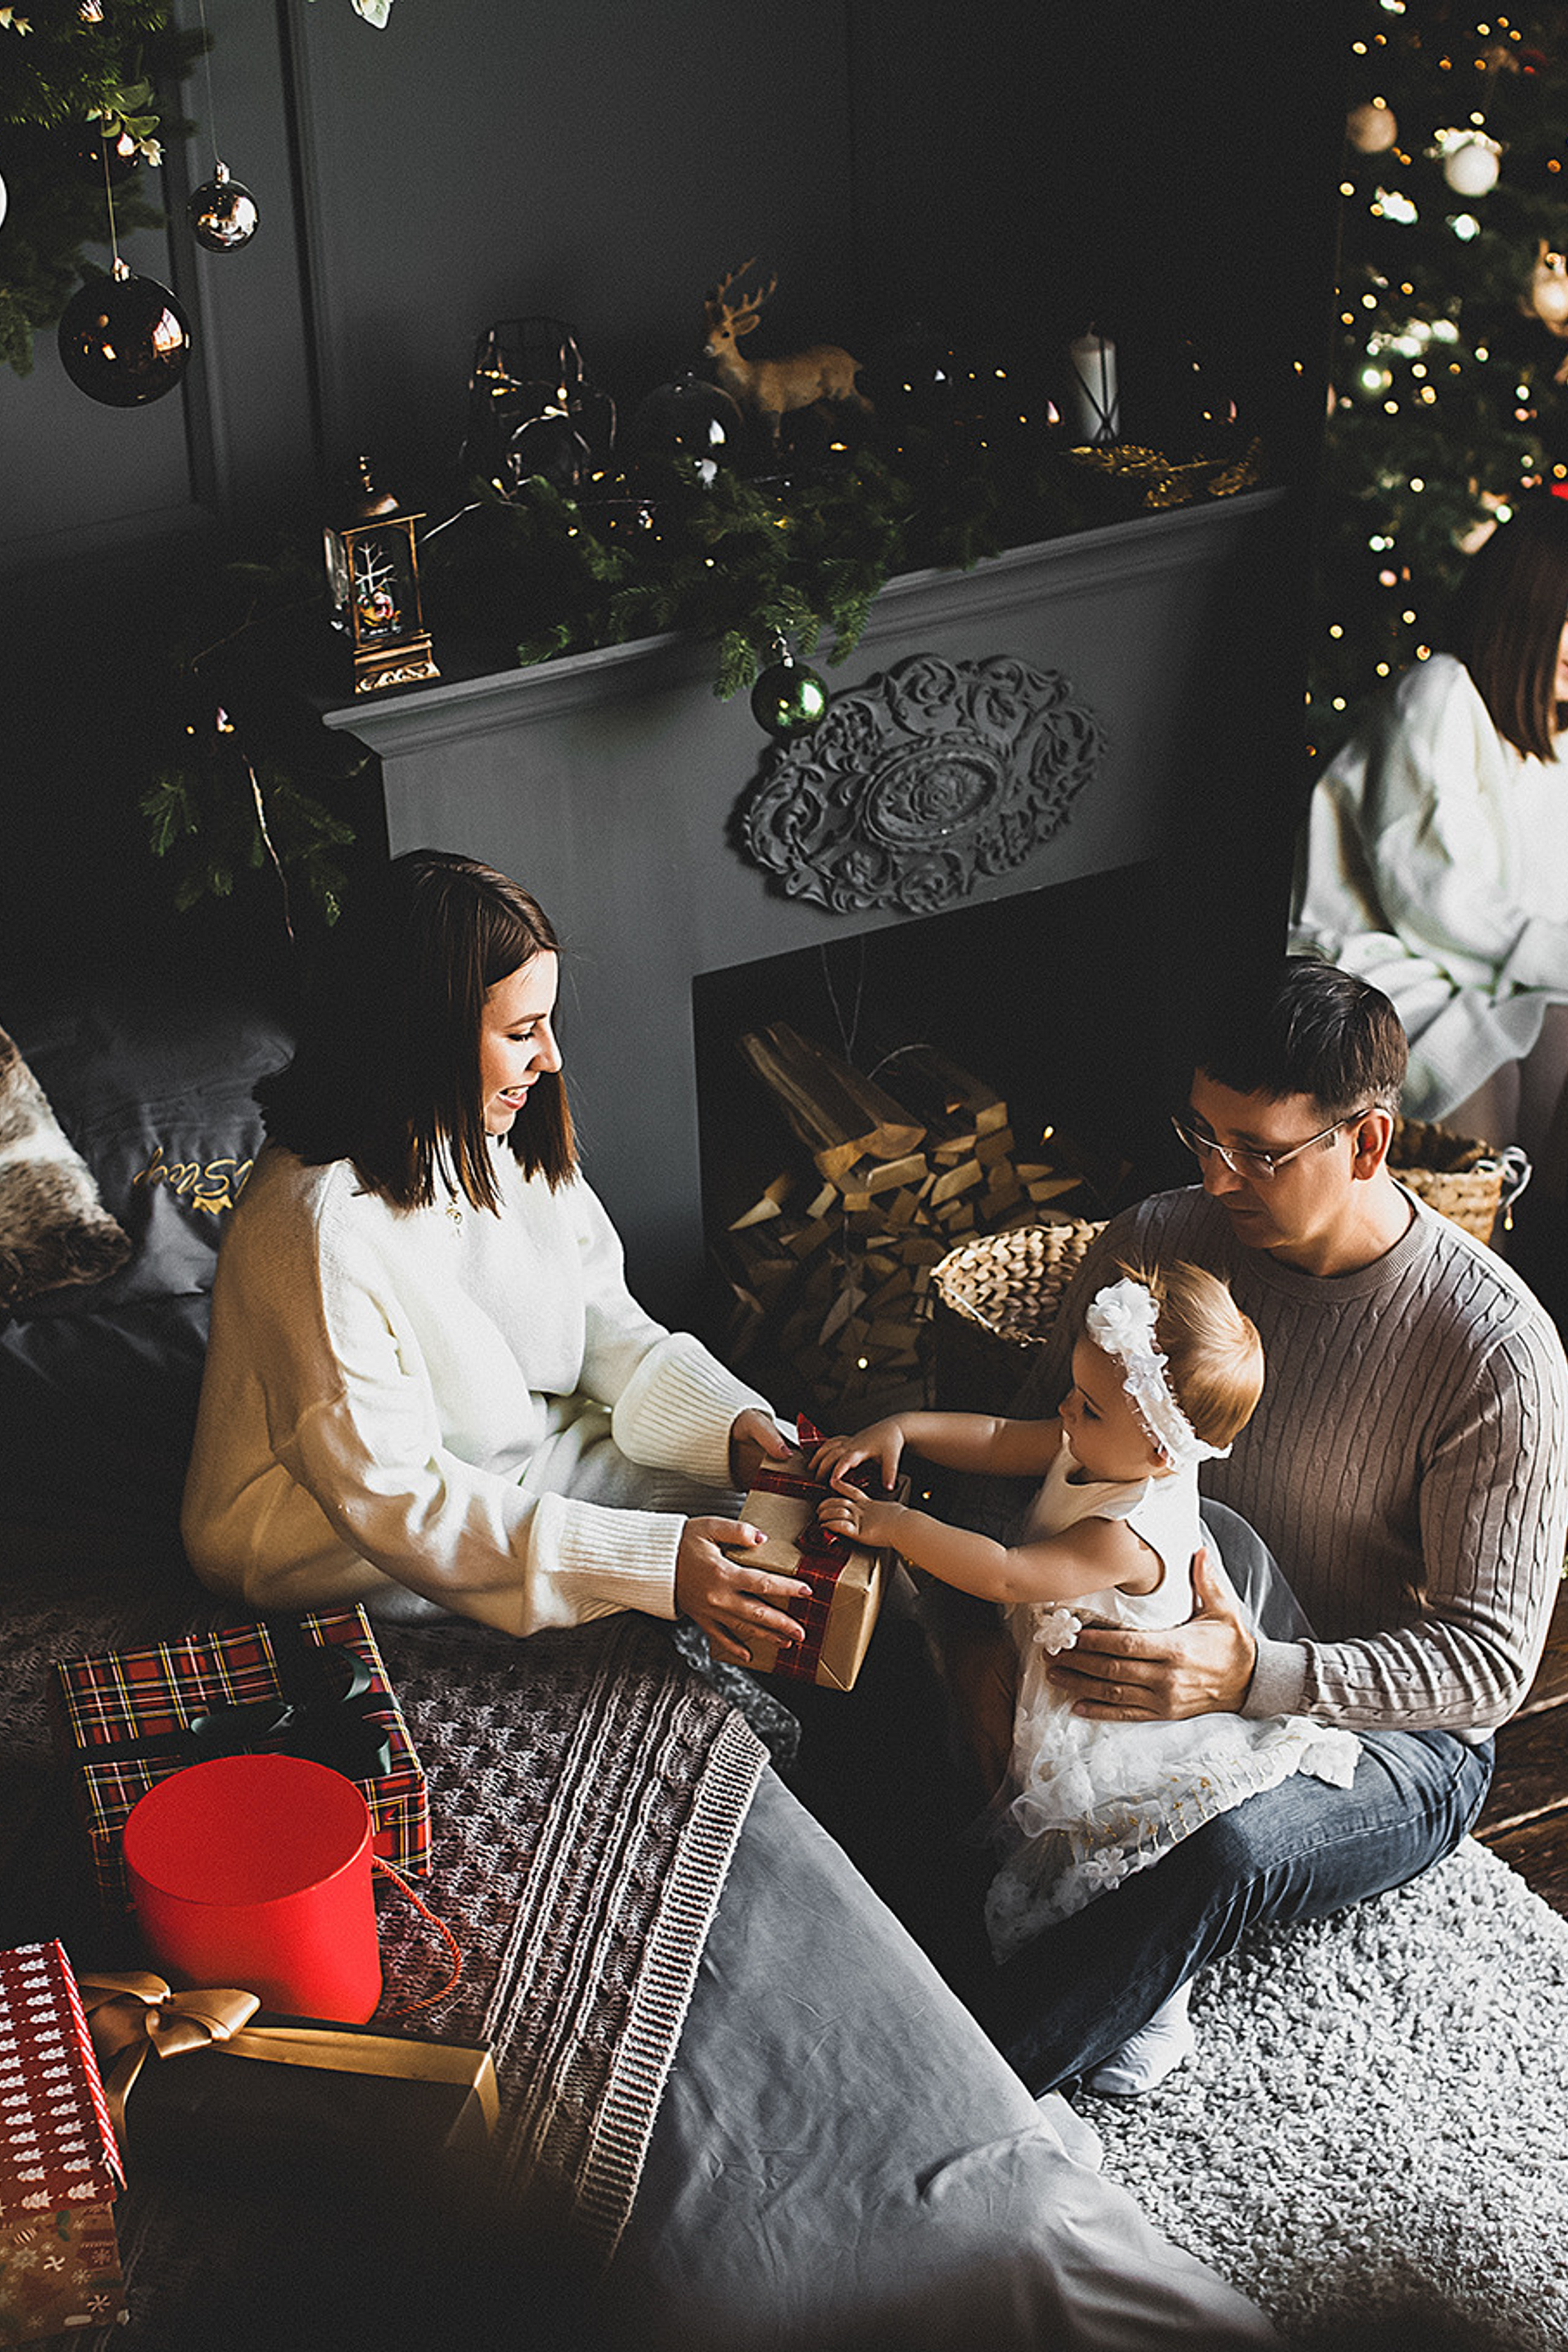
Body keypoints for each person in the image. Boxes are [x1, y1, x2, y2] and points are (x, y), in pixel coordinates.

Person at [938, 956, 1568, 2100]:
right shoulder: (1155, 1241)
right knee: (933, 1737)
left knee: (1220, 1851)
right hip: (1135, 1648)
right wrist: (979, 1649)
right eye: (1202, 1134)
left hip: (1376, 1730)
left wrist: (1254, 1675)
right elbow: (1030, 1447)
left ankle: (956, 2097)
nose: (1220, 1174)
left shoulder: (1495, 1353)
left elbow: (1487, 1671)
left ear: (1366, 1143)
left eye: (1261, 1153)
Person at [181, 848, 812, 1661]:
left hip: (514, 1453)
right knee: (703, 1563)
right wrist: (650, 1566)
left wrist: (735, 1426)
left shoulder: (492, 1129)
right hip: (328, 1534)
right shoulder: (318, 1230)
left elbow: (602, 1320)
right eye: (522, 1032)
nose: (550, 1058)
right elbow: (395, 1497)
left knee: (779, 1514)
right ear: (427, 1037)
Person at [811, 1262, 1358, 2097]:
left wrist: (895, 1523)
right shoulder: (1099, 1435)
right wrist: (905, 1427)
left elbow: (1003, 1571)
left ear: (1157, 1448)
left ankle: (1162, 2010)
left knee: (1110, 1862)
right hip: (1058, 1669)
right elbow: (1002, 1436)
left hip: (1114, 1721)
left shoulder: (1129, 1532)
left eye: (1087, 1406)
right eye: (1073, 1391)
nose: (1066, 1413)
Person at [1293, 490, 1568, 1200]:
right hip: (1368, 953)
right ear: (1522, 610)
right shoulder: (1440, 694)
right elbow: (1429, 894)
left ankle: (1530, 1267)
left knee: (1559, 1036)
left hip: (1472, 971)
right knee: (1481, 1071)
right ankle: (1465, 1267)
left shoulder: (1555, 751)